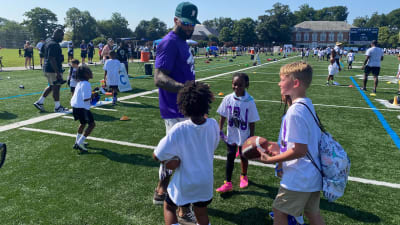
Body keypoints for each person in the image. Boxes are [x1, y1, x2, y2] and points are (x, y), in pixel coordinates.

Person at [258, 61, 325, 225]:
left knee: (279, 212)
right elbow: (302, 142)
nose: (279, 83)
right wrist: (278, 146)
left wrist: (271, 160)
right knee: (312, 213)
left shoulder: (294, 111)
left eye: (282, 79)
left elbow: (300, 150)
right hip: (312, 173)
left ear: (295, 83)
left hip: (299, 175)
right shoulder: (306, 104)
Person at [153, 1, 200, 223]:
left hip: (185, 107)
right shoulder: (169, 42)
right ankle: (182, 208)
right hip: (175, 109)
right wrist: (186, 89)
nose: (190, 27)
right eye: (187, 23)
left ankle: (161, 191)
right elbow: (159, 78)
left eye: (193, 24)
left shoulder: (182, 41)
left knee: (176, 157)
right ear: (176, 20)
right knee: (182, 159)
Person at [153, 81, 219, 225]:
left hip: (185, 182)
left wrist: (170, 161)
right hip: (205, 181)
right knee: (201, 212)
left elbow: (157, 155)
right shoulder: (213, 124)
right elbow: (213, 146)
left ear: (183, 105)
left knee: (169, 206)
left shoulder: (179, 129)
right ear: (206, 103)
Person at [215, 73, 259, 193]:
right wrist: (220, 129)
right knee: (230, 156)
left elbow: (252, 121)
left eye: (240, 85)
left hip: (244, 135)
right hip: (231, 134)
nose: (237, 87)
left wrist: (251, 137)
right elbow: (223, 115)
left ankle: (244, 175)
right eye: (234, 84)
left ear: (246, 85)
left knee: (243, 156)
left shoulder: (249, 101)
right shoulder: (227, 98)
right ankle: (227, 182)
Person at [33, 29, 68, 113]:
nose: (62, 38)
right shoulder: (54, 44)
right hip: (52, 69)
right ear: (57, 35)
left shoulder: (48, 41)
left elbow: (41, 53)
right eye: (62, 35)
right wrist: (57, 72)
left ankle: (40, 102)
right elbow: (52, 59)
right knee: (56, 87)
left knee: (52, 86)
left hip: (47, 67)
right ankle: (57, 107)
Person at [71, 65, 95, 153]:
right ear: (85, 74)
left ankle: (77, 141)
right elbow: (86, 98)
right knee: (92, 125)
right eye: (89, 71)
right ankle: (79, 143)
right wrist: (94, 95)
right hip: (82, 108)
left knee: (83, 123)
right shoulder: (86, 83)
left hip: (76, 106)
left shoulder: (79, 83)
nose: (91, 72)